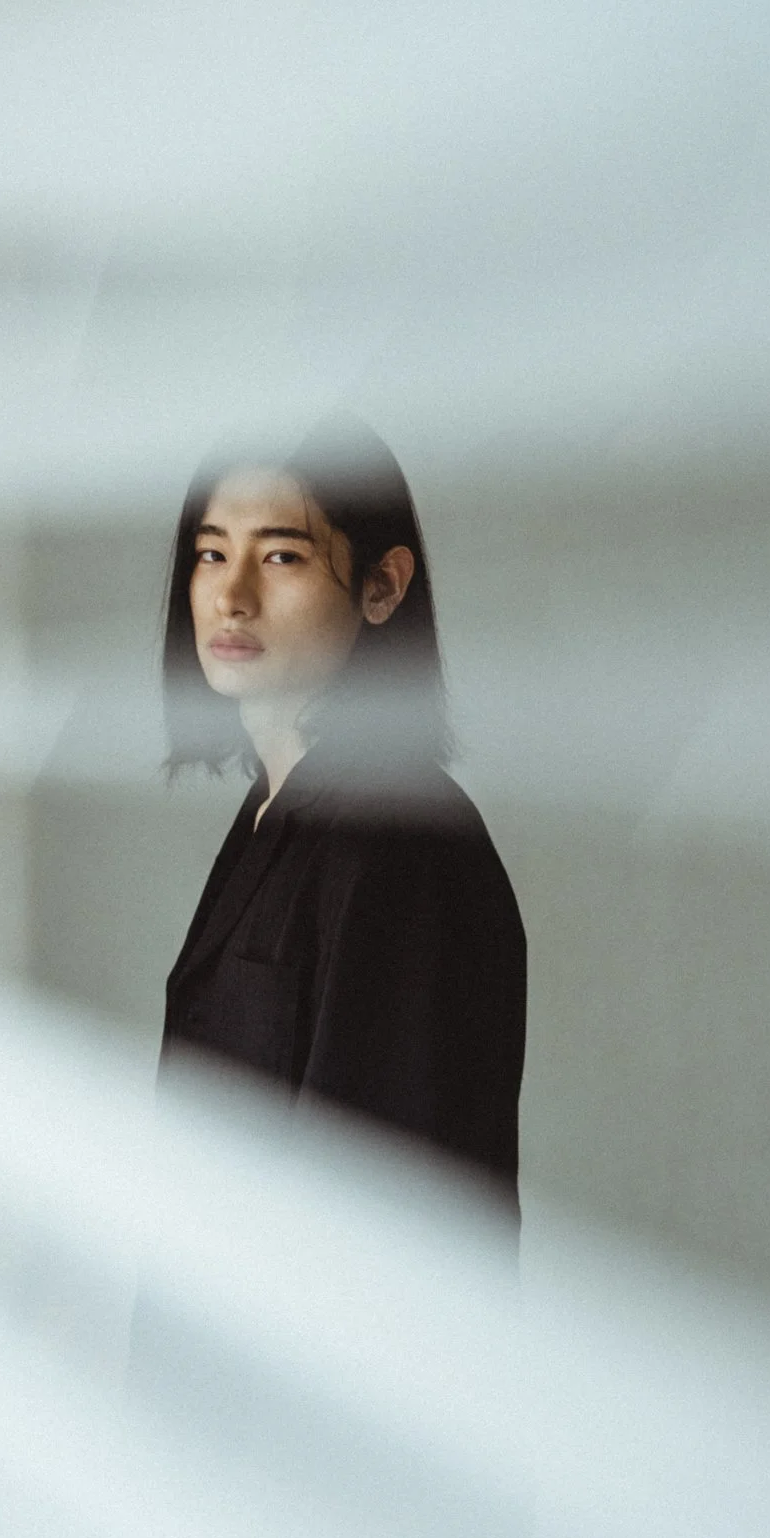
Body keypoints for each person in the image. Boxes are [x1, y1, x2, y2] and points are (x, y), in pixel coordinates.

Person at [159, 422, 526, 1216]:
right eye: (212, 553)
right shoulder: (271, 811)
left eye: (281, 557)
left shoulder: (402, 843)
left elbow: (384, 1211)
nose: (231, 597)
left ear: (382, 586)